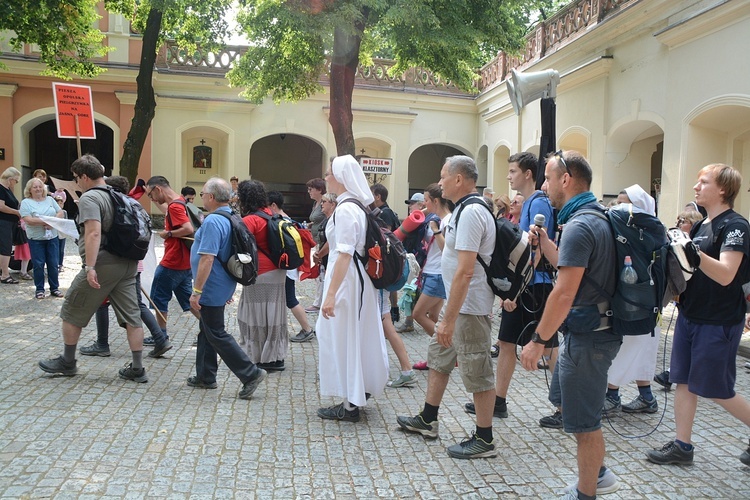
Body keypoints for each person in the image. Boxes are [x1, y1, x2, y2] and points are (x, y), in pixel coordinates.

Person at [520, 150, 621, 498]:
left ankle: (586, 493)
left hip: (589, 336)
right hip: (592, 331)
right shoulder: (593, 217)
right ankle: (600, 473)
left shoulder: (580, 225)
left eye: (547, 178)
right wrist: (546, 243)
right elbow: (572, 267)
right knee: (569, 405)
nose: (544, 185)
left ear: (566, 179)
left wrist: (537, 340)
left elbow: (564, 293)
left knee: (585, 423)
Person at [646, 163, 750, 467]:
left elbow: (727, 274)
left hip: (718, 320)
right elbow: (693, 270)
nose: (696, 187)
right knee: (683, 381)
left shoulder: (736, 226)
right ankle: (682, 446)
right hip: (691, 315)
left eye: (703, 182)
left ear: (722, 189)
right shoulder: (704, 224)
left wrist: (693, 252)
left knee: (717, 390)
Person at [397, 155, 498, 459]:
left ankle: (485, 439)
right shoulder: (460, 211)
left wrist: (448, 319)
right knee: (438, 359)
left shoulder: (471, 213)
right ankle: (428, 419)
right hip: (457, 307)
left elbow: (466, 271)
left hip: (468, 308)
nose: (439, 182)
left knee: (478, 371)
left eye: (443, 176)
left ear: (458, 179)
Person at [38, 154, 148, 383]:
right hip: (128, 263)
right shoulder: (121, 196)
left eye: (77, 178)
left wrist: (90, 266)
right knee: (132, 316)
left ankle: (68, 361)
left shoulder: (91, 198)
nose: (76, 182)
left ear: (85, 176)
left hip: (104, 262)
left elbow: (93, 232)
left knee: (71, 308)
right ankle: (138, 368)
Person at [466, 152, 559, 422]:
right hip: (524, 287)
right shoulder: (531, 202)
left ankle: (565, 407)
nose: (509, 176)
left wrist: (514, 293)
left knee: (549, 346)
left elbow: (536, 249)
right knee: (506, 342)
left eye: (513, 171)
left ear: (528, 174)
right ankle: (499, 401)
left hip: (534, 287)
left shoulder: (538, 204)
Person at [316, 155, 389, 422]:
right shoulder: (354, 206)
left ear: (341, 177)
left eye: (329, 173)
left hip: (347, 282)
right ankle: (354, 396)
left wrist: (331, 294)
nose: (326, 177)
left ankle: (350, 405)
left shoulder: (347, 209)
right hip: (352, 281)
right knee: (351, 337)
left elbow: (344, 253)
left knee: (343, 338)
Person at [188, 177, 267, 398]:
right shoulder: (231, 216)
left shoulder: (213, 221)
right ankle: (205, 375)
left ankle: (250, 373)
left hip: (211, 285)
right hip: (221, 282)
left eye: (203, 194)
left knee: (215, 331)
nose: (202, 197)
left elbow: (207, 259)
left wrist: (197, 291)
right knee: (207, 328)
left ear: (211, 197)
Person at [80, 176, 172, 359]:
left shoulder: (114, 209)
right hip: (132, 263)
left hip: (115, 262)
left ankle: (103, 343)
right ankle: (158, 338)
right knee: (129, 303)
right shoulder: (132, 205)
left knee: (109, 302)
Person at [603, 185, 661, 416]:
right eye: (618, 202)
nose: (620, 207)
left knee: (630, 349)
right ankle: (646, 397)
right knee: (638, 350)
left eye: (626, 203)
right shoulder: (623, 230)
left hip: (642, 303)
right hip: (638, 303)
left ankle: (612, 396)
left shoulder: (650, 233)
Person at [237, 180, 289, 371]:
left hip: (260, 273)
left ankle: (261, 357)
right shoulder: (271, 215)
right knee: (275, 314)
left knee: (257, 315)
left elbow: (240, 246)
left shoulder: (250, 220)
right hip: (278, 271)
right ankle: (276, 356)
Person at [144, 176, 200, 345]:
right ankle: (211, 329)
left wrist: (168, 234)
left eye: (150, 195)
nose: (151, 199)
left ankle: (160, 336)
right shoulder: (180, 202)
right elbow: (166, 209)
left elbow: (187, 228)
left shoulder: (175, 206)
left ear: (158, 189)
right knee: (189, 301)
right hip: (185, 262)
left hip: (173, 261)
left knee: (158, 298)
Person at [653, 209, 705, 390]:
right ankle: (674, 373)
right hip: (685, 305)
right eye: (678, 219)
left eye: (683, 220)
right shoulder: (676, 245)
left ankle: (674, 374)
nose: (679, 223)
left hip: (700, 307)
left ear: (693, 223)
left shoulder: (696, 247)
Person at [410, 183, 452, 371]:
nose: (423, 204)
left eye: (426, 200)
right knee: (434, 316)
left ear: (435, 201)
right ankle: (442, 355)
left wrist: (435, 230)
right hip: (431, 272)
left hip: (438, 274)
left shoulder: (446, 220)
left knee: (418, 314)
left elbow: (447, 250)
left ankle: (447, 352)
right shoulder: (435, 219)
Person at [267, 190, 315, 343]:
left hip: (285, 268)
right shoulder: (287, 219)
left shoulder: (280, 221)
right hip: (289, 267)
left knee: (290, 299)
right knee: (286, 298)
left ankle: (307, 329)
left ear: (273, 205)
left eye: (267, 206)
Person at [20, 177, 63, 299]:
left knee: (53, 263)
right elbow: (28, 219)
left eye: (40, 186)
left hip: (52, 237)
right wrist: (45, 222)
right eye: (35, 187)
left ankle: (54, 288)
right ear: (30, 189)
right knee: (38, 264)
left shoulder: (50, 199)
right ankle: (39, 289)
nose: (38, 189)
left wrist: (53, 222)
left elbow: (60, 212)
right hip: (36, 239)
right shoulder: (26, 202)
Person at [371, 183, 402, 323]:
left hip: (388, 253)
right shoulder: (381, 210)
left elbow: (385, 234)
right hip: (388, 252)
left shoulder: (385, 212)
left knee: (387, 285)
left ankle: (393, 311)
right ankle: (393, 310)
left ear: (378, 196)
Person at [304, 177, 326, 313]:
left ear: (319, 189)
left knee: (320, 273)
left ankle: (319, 303)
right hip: (315, 240)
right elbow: (317, 220)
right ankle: (319, 300)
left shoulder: (325, 202)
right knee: (317, 273)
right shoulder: (316, 204)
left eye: (311, 189)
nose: (309, 192)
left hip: (321, 241)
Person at [0, 167, 22, 284]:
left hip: (9, 222)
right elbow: (1, 206)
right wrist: (16, 212)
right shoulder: (1, 189)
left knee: (5, 248)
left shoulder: (7, 189)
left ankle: (3, 271)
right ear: (10, 179)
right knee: (5, 248)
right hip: (4, 222)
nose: (16, 183)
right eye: (16, 181)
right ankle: (5, 275)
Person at [54, 194, 67, 272]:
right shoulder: (53, 212)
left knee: (61, 250)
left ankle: (60, 264)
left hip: (62, 233)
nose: (59, 205)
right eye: (57, 203)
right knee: (55, 249)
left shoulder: (64, 212)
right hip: (55, 233)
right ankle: (55, 263)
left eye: (61, 203)